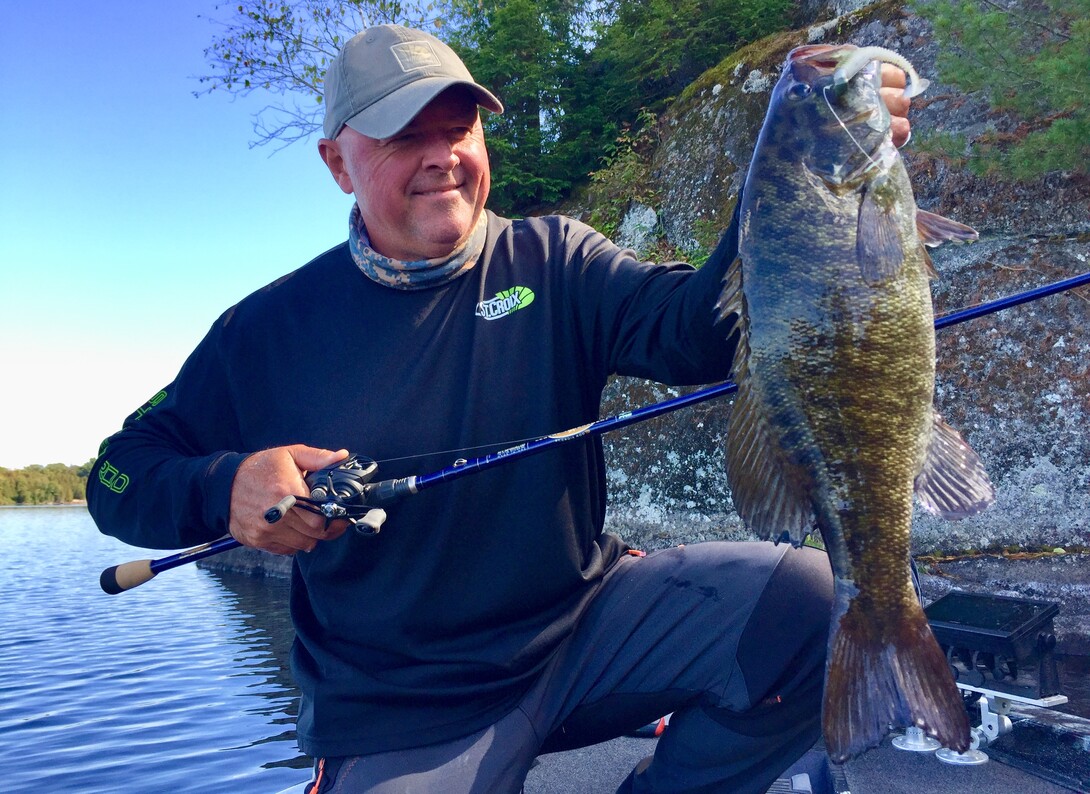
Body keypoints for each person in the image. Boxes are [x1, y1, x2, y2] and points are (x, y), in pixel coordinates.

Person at [88, 25, 914, 793]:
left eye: (459, 130)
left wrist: (801, 171)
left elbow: (697, 334)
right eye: (403, 137)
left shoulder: (555, 259)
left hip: (583, 628)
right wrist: (225, 484)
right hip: (401, 702)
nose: (442, 156)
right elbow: (118, 473)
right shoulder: (265, 330)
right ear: (337, 163)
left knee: (810, 605)